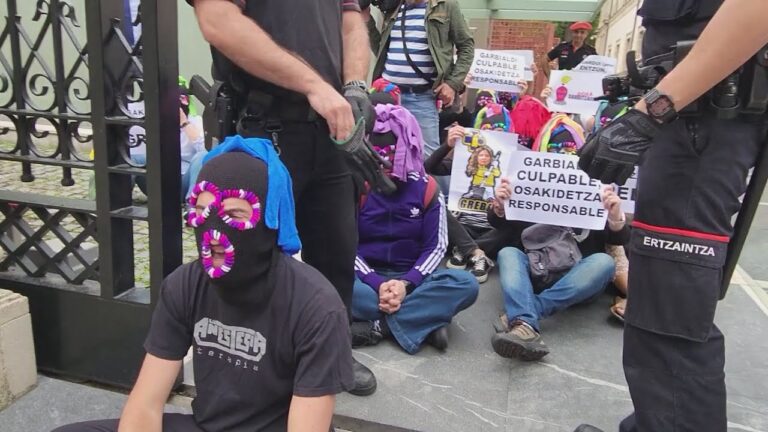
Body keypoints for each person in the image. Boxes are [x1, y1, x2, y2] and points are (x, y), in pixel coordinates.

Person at [52, 138, 353, 432]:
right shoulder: (185, 284)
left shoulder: (316, 306)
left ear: (270, 221)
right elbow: (145, 403)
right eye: (204, 211)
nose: (214, 230)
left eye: (234, 214)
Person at [574, 0, 768, 430]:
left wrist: (651, 111)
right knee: (657, 302)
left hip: (704, 118)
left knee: (671, 313)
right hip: (690, 116)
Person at [190, 0, 377, 395]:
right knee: (251, 253)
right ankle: (247, 362)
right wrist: (314, 85)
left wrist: (355, 85)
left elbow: (352, 20)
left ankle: (331, 353)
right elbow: (218, 20)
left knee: (336, 253)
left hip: (330, 127)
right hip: (263, 125)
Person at [351, 104, 479, 353]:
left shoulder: (427, 188)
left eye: (391, 152)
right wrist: (377, 283)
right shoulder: (357, 186)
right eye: (377, 153)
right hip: (366, 280)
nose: (384, 161)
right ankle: (427, 319)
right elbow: (347, 247)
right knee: (329, 284)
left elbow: (437, 247)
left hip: (414, 279)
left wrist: (406, 284)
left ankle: (379, 327)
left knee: (466, 285)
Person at [488, 183, 628, 361]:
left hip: (577, 278)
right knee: (508, 253)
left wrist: (615, 218)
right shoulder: (533, 193)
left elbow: (620, 238)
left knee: (604, 262)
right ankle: (526, 320)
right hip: (536, 271)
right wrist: (500, 205)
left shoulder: (597, 197)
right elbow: (497, 222)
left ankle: (523, 317)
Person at [364, 0, 475, 157]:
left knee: (427, 158)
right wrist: (366, 21)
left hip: (421, 97)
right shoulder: (393, 7)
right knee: (386, 155)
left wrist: (452, 83)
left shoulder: (445, 6)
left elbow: (467, 46)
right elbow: (381, 48)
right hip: (388, 97)